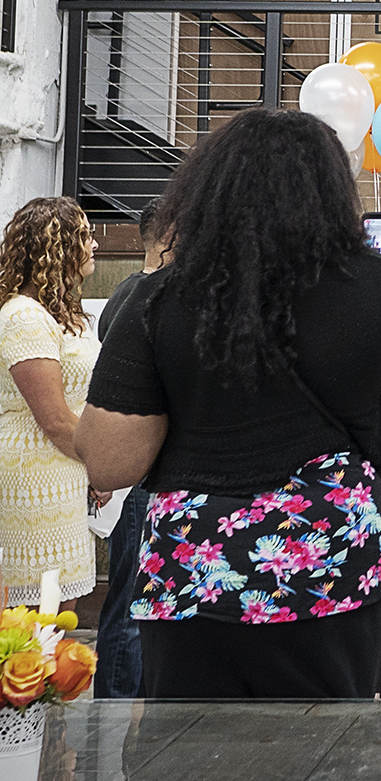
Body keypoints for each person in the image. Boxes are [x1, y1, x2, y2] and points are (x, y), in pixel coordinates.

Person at [75, 107, 381, 699]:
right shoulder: (376, 290)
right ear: (330, 192)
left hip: (194, 580)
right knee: (334, 752)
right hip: (331, 573)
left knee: (185, 755)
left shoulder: (158, 298)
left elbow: (109, 461)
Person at [0, 196, 104, 609]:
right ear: (57, 246)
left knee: (61, 610)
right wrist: (101, 466)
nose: (94, 244)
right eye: (85, 235)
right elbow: (55, 419)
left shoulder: (55, 312)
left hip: (64, 467)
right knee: (42, 615)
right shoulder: (24, 316)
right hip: (35, 474)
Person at [92, 197, 169, 699]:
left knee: (133, 592)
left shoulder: (125, 294)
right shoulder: (146, 298)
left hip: (142, 470)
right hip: (143, 472)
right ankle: (114, 703)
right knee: (130, 600)